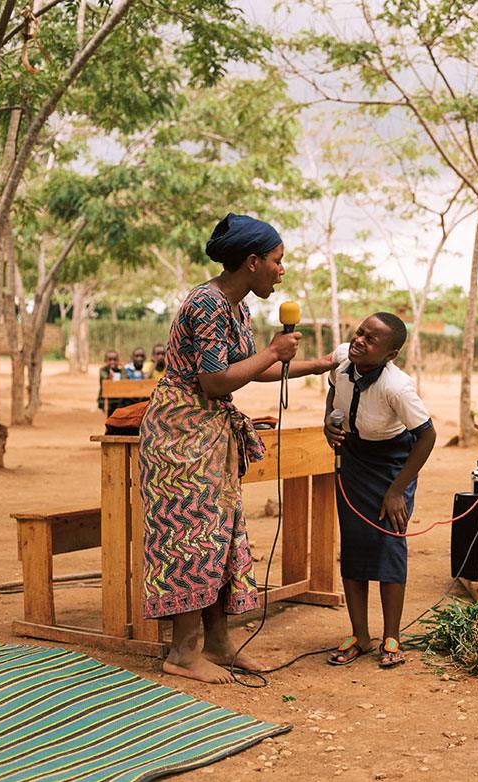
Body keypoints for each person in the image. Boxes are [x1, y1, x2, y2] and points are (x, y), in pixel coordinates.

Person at [138, 213, 329, 685]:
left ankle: (219, 645)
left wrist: (315, 364)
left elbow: (245, 367)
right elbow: (213, 379)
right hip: (181, 437)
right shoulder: (207, 304)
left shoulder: (237, 306)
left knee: (220, 536)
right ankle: (182, 653)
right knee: (190, 540)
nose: (282, 270)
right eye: (277, 261)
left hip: (209, 433)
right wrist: (272, 353)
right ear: (252, 261)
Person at [323, 313, 436, 669]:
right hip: (355, 458)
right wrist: (329, 422)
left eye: (371, 340)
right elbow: (333, 391)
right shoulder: (343, 359)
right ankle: (360, 635)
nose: (359, 341)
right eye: (360, 332)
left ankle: (392, 637)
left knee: (388, 541)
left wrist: (396, 491)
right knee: (354, 541)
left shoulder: (397, 387)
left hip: (392, 466)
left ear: (390, 355)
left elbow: (427, 436)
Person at [97, 349, 125, 414]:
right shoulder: (103, 370)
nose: (112, 362)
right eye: (110, 360)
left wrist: (123, 368)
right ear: (105, 361)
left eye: (115, 360)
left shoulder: (120, 371)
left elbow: (125, 380)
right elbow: (104, 378)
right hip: (105, 399)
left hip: (118, 399)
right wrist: (109, 377)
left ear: (118, 361)